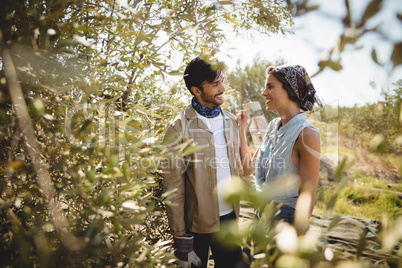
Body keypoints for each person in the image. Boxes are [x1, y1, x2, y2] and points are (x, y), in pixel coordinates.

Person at [162, 57, 254, 268]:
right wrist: (181, 241)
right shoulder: (177, 128)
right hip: (195, 228)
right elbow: (173, 188)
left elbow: (243, 170)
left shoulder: (231, 121)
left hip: (230, 220)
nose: (222, 88)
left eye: (222, 81)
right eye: (215, 84)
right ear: (196, 90)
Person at [237, 64, 322, 227]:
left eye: (270, 86)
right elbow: (248, 169)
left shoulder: (307, 134)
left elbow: (308, 197)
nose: (264, 93)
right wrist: (241, 129)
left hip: (285, 221)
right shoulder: (273, 126)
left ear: (290, 90)